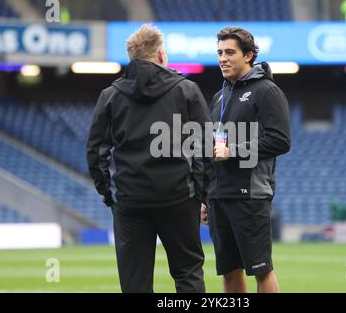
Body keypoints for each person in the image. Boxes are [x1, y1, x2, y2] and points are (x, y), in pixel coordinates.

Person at [87, 24, 210, 292]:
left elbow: (95, 151)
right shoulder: (187, 90)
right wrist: (201, 195)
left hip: (130, 200)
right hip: (178, 197)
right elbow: (205, 148)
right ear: (161, 55)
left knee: (135, 282)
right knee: (188, 273)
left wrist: (110, 194)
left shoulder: (110, 96)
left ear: (131, 58)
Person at [201, 27, 291, 293]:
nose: (223, 58)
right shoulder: (220, 96)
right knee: (229, 273)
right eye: (219, 52)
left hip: (250, 195)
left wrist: (235, 150)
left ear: (249, 55)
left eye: (230, 52)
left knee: (261, 270)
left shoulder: (267, 91)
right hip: (219, 195)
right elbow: (213, 148)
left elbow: (281, 140)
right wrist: (206, 195)